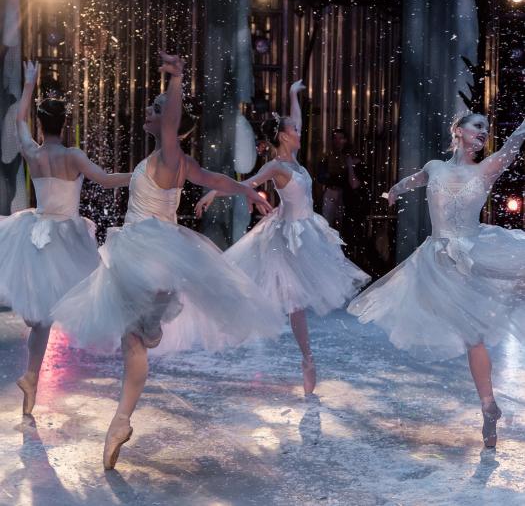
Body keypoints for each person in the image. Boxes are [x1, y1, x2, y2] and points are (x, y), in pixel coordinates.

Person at [52, 53, 283, 470]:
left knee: (134, 340)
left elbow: (176, 127)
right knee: (134, 341)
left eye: (156, 108)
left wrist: (176, 79)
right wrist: (247, 191)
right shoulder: (176, 162)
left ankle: (125, 408)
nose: (150, 110)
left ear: (170, 123)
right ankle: (122, 416)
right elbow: (215, 179)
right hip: (156, 260)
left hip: (146, 256)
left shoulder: (170, 155)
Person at [348, 112, 525, 448]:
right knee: (434, 317)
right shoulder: (435, 167)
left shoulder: (486, 169)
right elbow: (414, 180)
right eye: (478, 126)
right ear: (458, 130)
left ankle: (488, 406)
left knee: (474, 337)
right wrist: (394, 190)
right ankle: (488, 404)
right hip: (435, 260)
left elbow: (513, 146)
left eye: (487, 130)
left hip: (471, 258)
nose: (484, 133)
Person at [196, 80, 371, 396]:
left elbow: (297, 118)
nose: (299, 130)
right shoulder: (276, 166)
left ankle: (307, 358)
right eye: (294, 129)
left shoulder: (293, 158)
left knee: (298, 299)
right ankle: (307, 358)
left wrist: (292, 94)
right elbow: (245, 184)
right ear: (284, 135)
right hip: (287, 236)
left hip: (307, 230)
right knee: (294, 300)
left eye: (297, 127)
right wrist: (213, 193)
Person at [0, 60, 131, 415]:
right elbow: (105, 180)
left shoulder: (32, 152)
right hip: (65, 237)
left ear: (42, 124)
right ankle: (33, 374)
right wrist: (139, 176)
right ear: (66, 124)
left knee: (42, 317)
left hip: (35, 233)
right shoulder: (73, 156)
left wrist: (29, 83)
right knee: (87, 294)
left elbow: (18, 120)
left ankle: (31, 378)